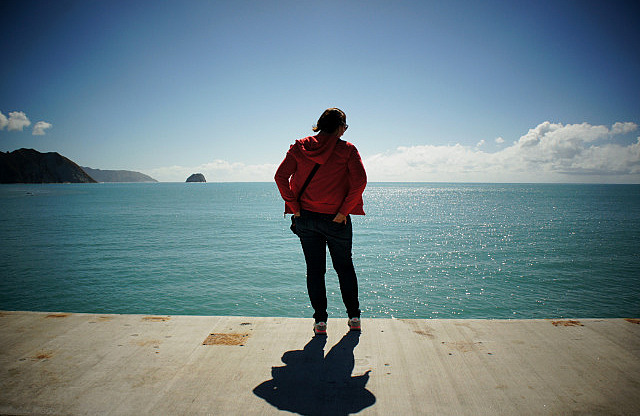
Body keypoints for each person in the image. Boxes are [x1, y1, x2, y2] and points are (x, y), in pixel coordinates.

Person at [275, 108, 367, 335]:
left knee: (315, 271)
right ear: (339, 126)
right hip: (337, 220)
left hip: (306, 218)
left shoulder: (300, 147)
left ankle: (320, 322)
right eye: (345, 126)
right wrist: (344, 211)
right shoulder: (347, 150)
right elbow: (360, 182)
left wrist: (295, 207)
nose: (345, 131)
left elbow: (280, 177)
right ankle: (354, 318)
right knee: (344, 268)